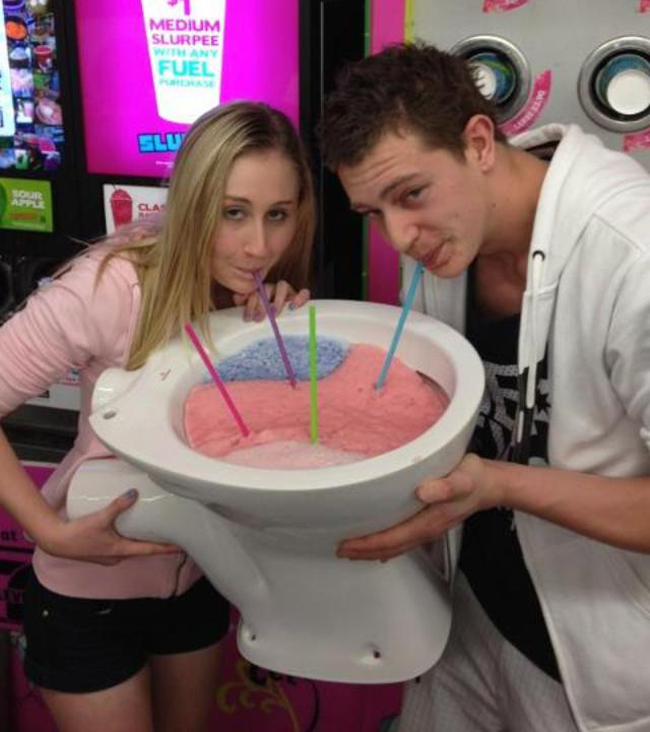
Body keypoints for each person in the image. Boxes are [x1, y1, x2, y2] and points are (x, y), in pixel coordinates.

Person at [319, 42, 650, 732]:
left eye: (410, 194)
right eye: (373, 213)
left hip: (592, 653)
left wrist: (498, 485)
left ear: (477, 143)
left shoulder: (632, 254)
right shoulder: (448, 243)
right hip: (465, 616)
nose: (399, 237)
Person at [0, 101, 315, 732]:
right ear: (193, 202)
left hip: (200, 580)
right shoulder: (110, 288)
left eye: (277, 215)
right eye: (232, 212)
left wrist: (275, 337)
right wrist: (48, 530)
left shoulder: (256, 295)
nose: (259, 246)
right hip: (86, 599)